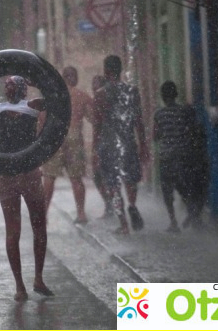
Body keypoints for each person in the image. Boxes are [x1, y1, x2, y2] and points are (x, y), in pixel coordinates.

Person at [0, 76, 54, 301]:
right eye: (7, 84)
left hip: (29, 172)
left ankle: (38, 278)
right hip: (7, 175)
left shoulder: (33, 105)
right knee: (13, 231)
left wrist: (37, 83)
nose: (8, 86)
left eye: (13, 83)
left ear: (22, 88)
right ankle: (19, 286)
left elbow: (56, 100)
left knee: (39, 226)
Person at [93, 55, 149, 235]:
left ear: (106, 71)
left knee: (113, 184)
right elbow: (138, 121)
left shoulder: (100, 94)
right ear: (120, 69)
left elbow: (98, 125)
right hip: (128, 142)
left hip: (108, 144)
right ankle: (132, 205)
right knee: (130, 179)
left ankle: (124, 224)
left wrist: (94, 150)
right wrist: (143, 145)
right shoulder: (132, 91)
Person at [42, 66, 94, 224]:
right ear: (75, 78)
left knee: (49, 177)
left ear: (63, 78)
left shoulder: (52, 96)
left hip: (56, 137)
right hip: (74, 137)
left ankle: (43, 215)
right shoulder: (82, 96)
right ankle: (81, 213)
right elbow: (94, 118)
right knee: (76, 178)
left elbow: (42, 119)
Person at [153, 81, 207, 231]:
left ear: (162, 97)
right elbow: (191, 130)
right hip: (183, 156)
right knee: (185, 188)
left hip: (166, 157)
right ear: (176, 95)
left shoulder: (158, 114)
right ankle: (193, 215)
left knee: (167, 190)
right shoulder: (183, 111)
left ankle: (173, 222)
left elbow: (156, 136)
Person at [91, 75, 114, 218]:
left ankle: (110, 204)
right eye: (93, 83)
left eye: (96, 83)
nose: (94, 86)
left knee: (102, 175)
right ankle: (109, 203)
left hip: (105, 143)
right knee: (100, 176)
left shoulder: (100, 99)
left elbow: (97, 126)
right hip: (106, 142)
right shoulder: (98, 99)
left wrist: (95, 147)